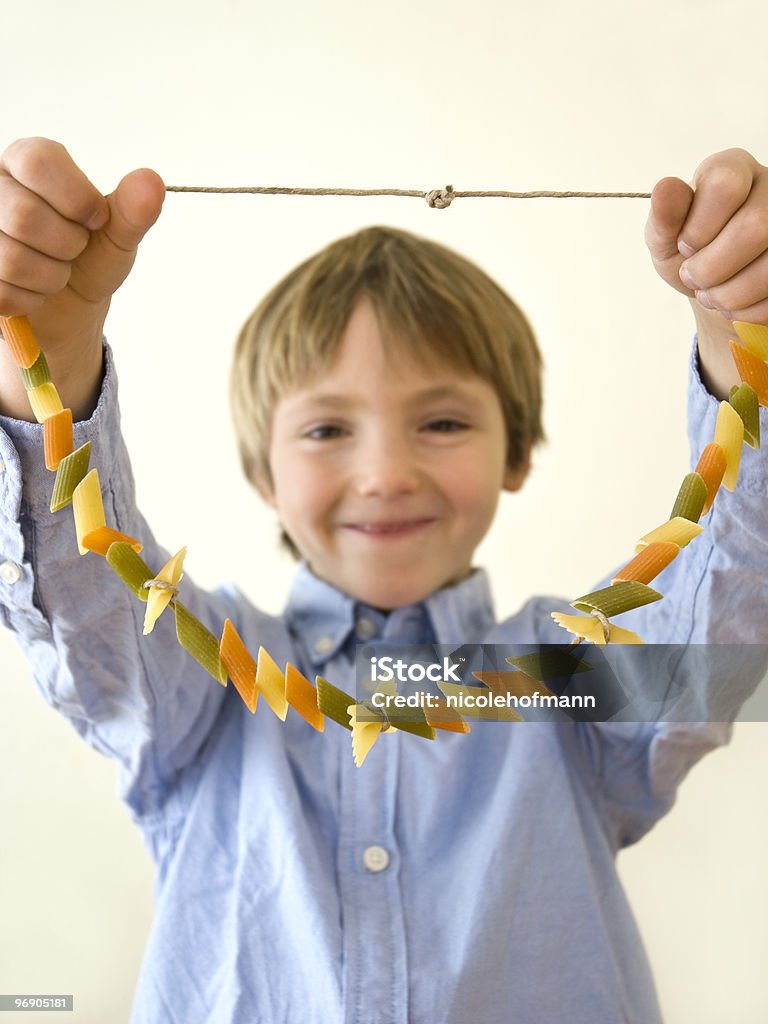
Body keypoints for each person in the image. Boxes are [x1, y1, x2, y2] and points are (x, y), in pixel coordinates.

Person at [0, 137, 766, 1023]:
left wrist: (741, 351)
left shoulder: (566, 684)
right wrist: (46, 371)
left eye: (441, 421)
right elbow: (86, 598)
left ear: (516, 450)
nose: (386, 473)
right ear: (264, 474)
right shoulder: (199, 688)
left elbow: (730, 607)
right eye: (327, 431)